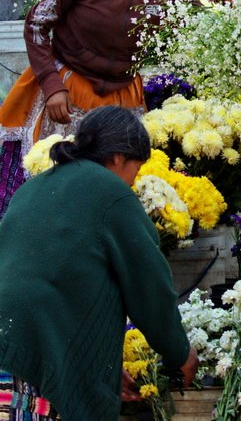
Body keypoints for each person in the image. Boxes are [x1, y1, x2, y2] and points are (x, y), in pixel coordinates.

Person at [0, 105, 199, 421]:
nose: (133, 182)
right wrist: (180, 353)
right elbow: (150, 287)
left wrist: (91, 366)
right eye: (137, 168)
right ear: (119, 157)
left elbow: (54, 276)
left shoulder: (33, 187)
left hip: (9, 352)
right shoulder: (111, 194)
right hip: (36, 364)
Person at [0, 0, 184, 217]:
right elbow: (37, 24)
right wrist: (52, 85)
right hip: (67, 98)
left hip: (125, 101)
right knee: (50, 196)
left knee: (113, 201)